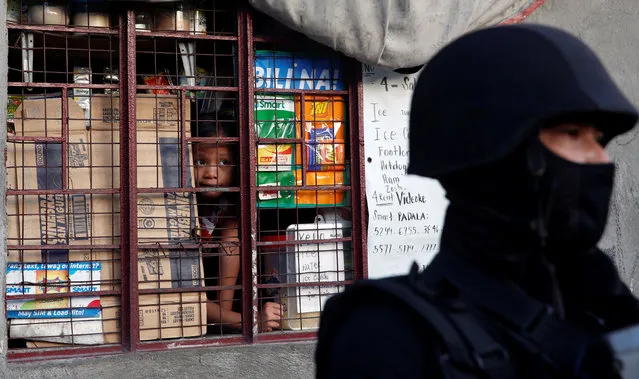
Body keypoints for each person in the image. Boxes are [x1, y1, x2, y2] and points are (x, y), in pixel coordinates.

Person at [315, 24, 639, 378]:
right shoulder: (388, 334)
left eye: (599, 139)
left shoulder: (603, 303)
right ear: (493, 156)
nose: (601, 160)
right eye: (573, 134)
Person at [193, 112, 282, 333]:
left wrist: (224, 313)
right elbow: (184, 297)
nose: (211, 173)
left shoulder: (231, 209)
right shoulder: (179, 206)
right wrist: (248, 322)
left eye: (223, 162)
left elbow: (229, 251)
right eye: (200, 162)